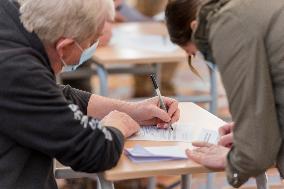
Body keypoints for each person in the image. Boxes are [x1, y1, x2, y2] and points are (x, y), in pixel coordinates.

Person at [0, 0, 180, 188]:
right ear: (64, 46)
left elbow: (50, 96)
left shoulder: (11, 17)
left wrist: (133, 110)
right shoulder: (17, 70)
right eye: (91, 42)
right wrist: (115, 127)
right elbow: (93, 152)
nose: (92, 47)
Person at [165, 0, 284, 188]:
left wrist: (233, 162)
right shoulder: (247, 8)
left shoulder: (226, 25)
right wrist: (250, 128)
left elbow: (256, 154)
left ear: (195, 27)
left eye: (195, 53)